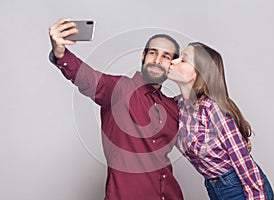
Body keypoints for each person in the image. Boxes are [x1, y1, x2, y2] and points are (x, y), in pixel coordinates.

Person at [48, 18, 184, 200]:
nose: (157, 60)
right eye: (153, 53)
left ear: (172, 65)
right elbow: (88, 78)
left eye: (166, 56)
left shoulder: (174, 107)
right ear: (143, 57)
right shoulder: (119, 89)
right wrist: (61, 54)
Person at [167, 42, 274, 199]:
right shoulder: (178, 105)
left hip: (239, 187)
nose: (173, 61)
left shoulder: (213, 108)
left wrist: (256, 196)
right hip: (214, 187)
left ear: (200, 73)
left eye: (183, 60)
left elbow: (242, 161)